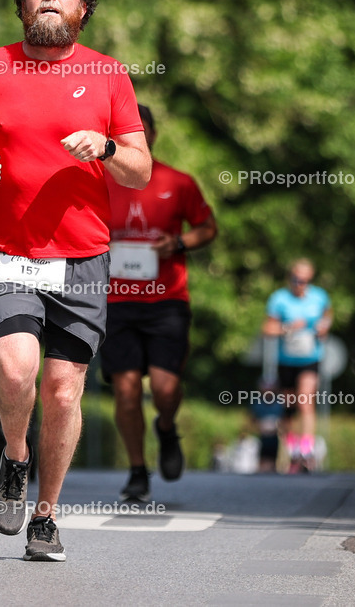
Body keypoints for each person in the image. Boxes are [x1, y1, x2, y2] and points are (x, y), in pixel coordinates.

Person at [0, 0, 151, 561]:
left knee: (62, 393)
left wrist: (107, 146)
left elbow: (138, 171)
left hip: (82, 257)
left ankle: (46, 514)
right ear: (22, 4)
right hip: (8, 250)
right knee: (13, 368)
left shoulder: (109, 74)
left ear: (82, 6)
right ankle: (14, 456)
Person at [101, 104, 217, 501]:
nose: (134, 137)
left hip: (166, 300)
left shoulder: (178, 182)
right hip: (114, 300)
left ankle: (166, 428)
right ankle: (137, 470)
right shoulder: (97, 178)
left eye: (141, 130)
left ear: (151, 135)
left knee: (166, 389)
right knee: (126, 390)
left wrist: (179, 243)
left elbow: (208, 227)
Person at [261, 258, 332, 472]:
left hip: (310, 359)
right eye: (296, 279)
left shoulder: (319, 297)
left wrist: (324, 327)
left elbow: (328, 316)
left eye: (305, 280)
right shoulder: (279, 299)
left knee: (305, 400)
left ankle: (307, 450)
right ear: (289, 278)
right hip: (286, 361)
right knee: (289, 408)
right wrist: (287, 328)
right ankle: (292, 449)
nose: (300, 284)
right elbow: (267, 329)